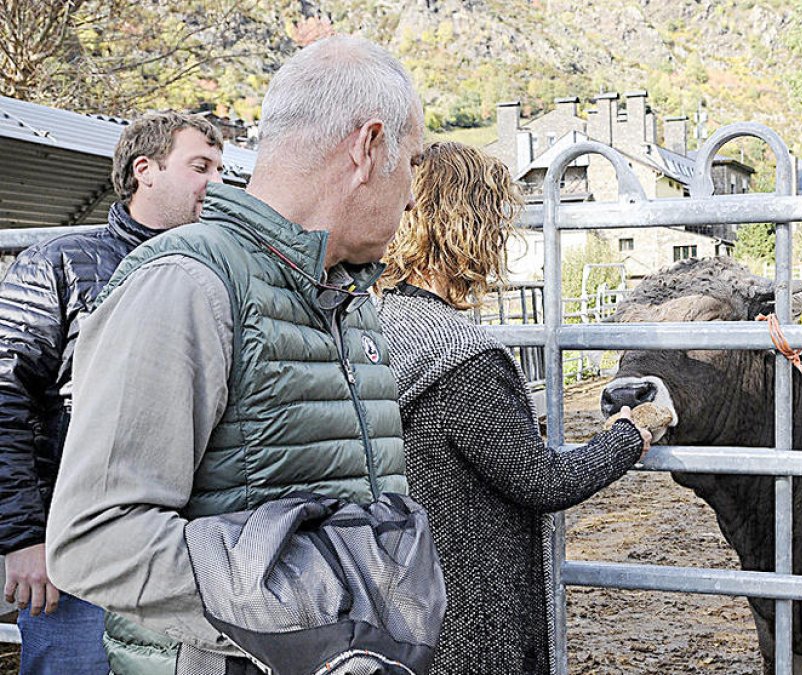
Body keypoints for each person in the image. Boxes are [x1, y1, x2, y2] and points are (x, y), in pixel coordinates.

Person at [44, 35, 422, 674]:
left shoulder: (339, 293)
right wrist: (318, 608)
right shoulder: (188, 285)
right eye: (412, 162)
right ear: (368, 148)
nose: (412, 196)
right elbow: (96, 541)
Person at [374, 141, 651, 675]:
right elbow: (543, 481)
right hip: (474, 619)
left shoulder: (379, 322)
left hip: (406, 594)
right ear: (470, 226)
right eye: (497, 220)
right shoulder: (459, 356)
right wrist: (629, 434)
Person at [0, 111, 224, 674]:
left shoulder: (219, 271)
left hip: (181, 554)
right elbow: (5, 397)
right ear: (145, 170)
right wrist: (23, 538)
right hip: (75, 555)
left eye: (220, 169)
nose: (215, 183)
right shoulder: (58, 265)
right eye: (201, 166)